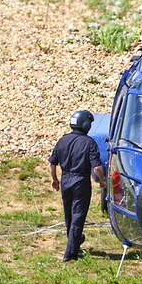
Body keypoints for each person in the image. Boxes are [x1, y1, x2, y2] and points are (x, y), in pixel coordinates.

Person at [48, 110, 107, 262]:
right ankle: (70, 253)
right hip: (80, 181)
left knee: (69, 215)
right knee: (78, 216)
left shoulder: (62, 140)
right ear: (86, 125)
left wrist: (55, 179)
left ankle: (75, 242)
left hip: (66, 179)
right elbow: (97, 167)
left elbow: (52, 163)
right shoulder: (89, 142)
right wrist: (102, 180)